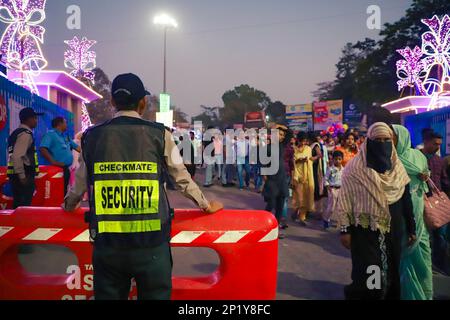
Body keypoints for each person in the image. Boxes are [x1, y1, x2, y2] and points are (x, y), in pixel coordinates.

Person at [63, 73, 223, 300]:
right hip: (152, 246)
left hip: (108, 245)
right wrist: (205, 205)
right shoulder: (160, 134)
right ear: (143, 102)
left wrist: (68, 205)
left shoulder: (92, 137)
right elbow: (181, 178)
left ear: (112, 102)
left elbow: (79, 184)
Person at [338, 122, 417, 300]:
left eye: (386, 140)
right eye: (377, 140)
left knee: (392, 268)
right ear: (369, 141)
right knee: (370, 270)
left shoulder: (397, 168)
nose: (382, 144)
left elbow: (406, 199)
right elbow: (345, 201)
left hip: (394, 229)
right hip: (366, 231)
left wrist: (411, 228)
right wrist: (345, 230)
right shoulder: (355, 169)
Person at [392, 125, 433, 300]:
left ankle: (424, 293)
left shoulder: (418, 156)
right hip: (398, 206)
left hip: (417, 205)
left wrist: (425, 175)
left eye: (392, 137)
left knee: (422, 252)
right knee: (402, 251)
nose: (390, 140)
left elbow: (426, 176)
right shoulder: (388, 157)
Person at [421, 130, 450, 275]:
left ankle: (439, 263)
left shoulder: (440, 161)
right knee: (424, 234)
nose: (438, 147)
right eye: (435, 144)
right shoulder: (417, 158)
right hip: (421, 202)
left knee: (440, 235)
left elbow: (444, 180)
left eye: (439, 144)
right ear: (426, 142)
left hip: (437, 203)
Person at [7, 108, 43, 208]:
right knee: (23, 206)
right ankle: (21, 223)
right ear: (28, 119)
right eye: (35, 118)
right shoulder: (25, 134)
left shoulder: (15, 133)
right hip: (23, 175)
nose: (36, 121)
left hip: (15, 174)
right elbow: (17, 156)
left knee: (18, 204)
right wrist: (22, 176)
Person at [262, 125, 291, 238]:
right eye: (279, 134)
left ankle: (275, 231)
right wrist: (265, 177)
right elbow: (263, 163)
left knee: (280, 207)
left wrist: (281, 127)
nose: (281, 136)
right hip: (272, 180)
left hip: (282, 180)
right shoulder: (267, 148)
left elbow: (290, 134)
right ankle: (264, 227)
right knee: (271, 205)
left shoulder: (282, 145)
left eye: (282, 135)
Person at [40, 117, 81, 196]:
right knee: (57, 192)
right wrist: (53, 161)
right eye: (65, 123)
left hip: (65, 169)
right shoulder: (50, 135)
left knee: (64, 191)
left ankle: (63, 206)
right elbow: (43, 148)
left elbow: (77, 148)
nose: (67, 125)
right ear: (59, 124)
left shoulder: (66, 137)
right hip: (56, 169)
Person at [292, 132, 315, 226]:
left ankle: (302, 217)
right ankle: (295, 211)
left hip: (307, 175)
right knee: (298, 197)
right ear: (298, 140)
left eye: (305, 141)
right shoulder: (294, 149)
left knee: (306, 196)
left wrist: (311, 159)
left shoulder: (309, 149)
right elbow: (292, 161)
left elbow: (310, 159)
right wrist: (299, 160)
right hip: (297, 175)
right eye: (302, 141)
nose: (304, 143)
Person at [322, 150, 344, 230]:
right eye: (336, 159)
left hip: (341, 190)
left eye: (339, 159)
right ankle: (326, 220)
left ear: (342, 159)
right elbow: (326, 179)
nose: (337, 161)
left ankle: (341, 223)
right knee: (331, 207)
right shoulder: (330, 169)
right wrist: (328, 187)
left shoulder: (343, 169)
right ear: (333, 159)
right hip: (332, 189)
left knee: (342, 207)